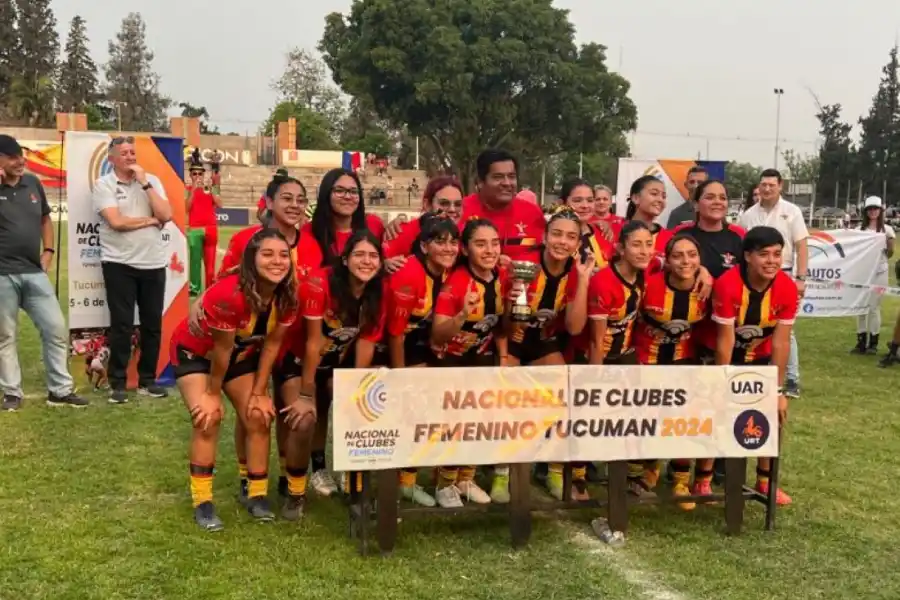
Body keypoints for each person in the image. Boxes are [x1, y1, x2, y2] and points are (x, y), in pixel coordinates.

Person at [172, 228, 298, 530]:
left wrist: (259, 391)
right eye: (267, 254)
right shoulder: (230, 295)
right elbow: (220, 349)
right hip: (197, 354)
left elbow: (271, 345)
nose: (277, 262)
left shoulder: (289, 295)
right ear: (251, 260)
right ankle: (202, 501)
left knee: (258, 415)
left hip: (239, 354)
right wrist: (212, 394)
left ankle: (255, 493)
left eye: (283, 255)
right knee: (208, 417)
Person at [215, 173, 306, 500]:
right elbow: (222, 286)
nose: (294, 206)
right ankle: (246, 476)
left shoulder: (312, 241)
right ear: (268, 202)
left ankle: (286, 473)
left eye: (300, 200)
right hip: (256, 343)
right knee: (252, 408)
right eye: (286, 198)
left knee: (291, 410)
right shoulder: (245, 241)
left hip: (297, 342)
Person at [278, 231, 387, 503]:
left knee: (359, 408)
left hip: (336, 362)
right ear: (345, 259)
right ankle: (297, 491)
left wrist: (355, 390)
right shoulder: (319, 283)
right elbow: (313, 343)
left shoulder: (377, 291)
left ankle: (353, 478)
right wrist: (305, 394)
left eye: (374, 256)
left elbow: (366, 343)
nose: (367, 261)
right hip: (297, 360)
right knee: (305, 419)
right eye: (359, 254)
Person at [506, 207, 594, 501]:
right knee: (507, 400)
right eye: (556, 234)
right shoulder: (524, 265)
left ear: (578, 244)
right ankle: (502, 472)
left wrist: (583, 281)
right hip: (511, 338)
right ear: (544, 236)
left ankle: (554, 469)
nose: (562, 242)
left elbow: (575, 326)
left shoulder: (576, 271)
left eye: (571, 237)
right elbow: (506, 318)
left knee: (563, 398)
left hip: (545, 341)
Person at [0, 134, 87, 410]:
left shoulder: (33, 183)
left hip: (34, 271)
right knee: (5, 336)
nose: (20, 161)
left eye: (20, 156)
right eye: (12, 157)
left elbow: (45, 220)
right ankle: (12, 392)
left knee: (55, 328)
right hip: (2, 274)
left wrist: (48, 251)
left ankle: (59, 390)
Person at [712, 225, 796, 505]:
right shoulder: (727, 283)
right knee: (717, 415)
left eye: (777, 254)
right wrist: (723, 382)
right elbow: (724, 341)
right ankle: (700, 479)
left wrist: (779, 390)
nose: (772, 261)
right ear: (747, 256)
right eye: (764, 255)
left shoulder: (786, 287)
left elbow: (782, 343)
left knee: (771, 414)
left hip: (760, 359)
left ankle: (765, 480)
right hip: (726, 357)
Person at [431, 219, 509, 506]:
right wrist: (461, 315)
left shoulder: (503, 277)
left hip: (483, 358)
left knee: (481, 421)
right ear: (465, 249)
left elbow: (500, 326)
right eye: (480, 244)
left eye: (494, 243)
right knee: (457, 422)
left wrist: (502, 359)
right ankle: (444, 484)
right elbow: (438, 334)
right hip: (451, 361)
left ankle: (466, 478)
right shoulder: (456, 283)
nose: (489, 250)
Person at [386, 213, 460, 506]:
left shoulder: (445, 272)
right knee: (415, 407)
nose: (448, 247)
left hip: (415, 343)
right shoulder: (410, 273)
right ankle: (404, 481)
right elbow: (393, 334)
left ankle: (427, 477)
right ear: (424, 245)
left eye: (453, 242)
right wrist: (401, 377)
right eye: (440, 241)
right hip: (388, 345)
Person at [93, 136, 173, 404]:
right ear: (111, 159)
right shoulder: (104, 184)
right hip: (119, 264)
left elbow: (167, 214)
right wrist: (150, 220)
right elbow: (116, 221)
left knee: (152, 325)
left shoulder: (150, 181)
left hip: (153, 263)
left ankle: (147, 381)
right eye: (124, 153)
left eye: (132, 152)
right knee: (122, 325)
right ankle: (118, 382)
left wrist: (146, 183)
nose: (130, 157)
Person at [631, 234, 709, 506]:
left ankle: (680, 481)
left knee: (683, 420)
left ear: (700, 259)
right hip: (647, 360)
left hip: (684, 362)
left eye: (692, 254)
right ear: (667, 260)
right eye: (678, 255)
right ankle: (648, 469)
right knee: (648, 419)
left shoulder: (706, 290)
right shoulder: (648, 286)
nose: (685, 261)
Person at [738, 169, 808, 398]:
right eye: (763, 185)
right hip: (753, 277)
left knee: (786, 329)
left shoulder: (792, 211)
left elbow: (802, 245)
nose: (767, 189)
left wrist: (801, 278)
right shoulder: (748, 214)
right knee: (756, 325)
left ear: (780, 186)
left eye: (771, 185)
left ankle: (791, 380)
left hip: (784, 274)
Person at [460, 149, 546, 263]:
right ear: (480, 182)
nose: (507, 183)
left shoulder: (532, 212)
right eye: (498, 177)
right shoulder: (461, 210)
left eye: (511, 176)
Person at [382, 176, 464, 265]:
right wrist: (383, 265)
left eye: (458, 204)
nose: (452, 209)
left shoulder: (465, 234)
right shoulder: (400, 232)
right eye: (444, 203)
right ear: (427, 205)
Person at [851, 196, 894, 354]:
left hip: (879, 272)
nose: (873, 212)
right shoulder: (859, 231)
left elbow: (890, 253)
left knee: (874, 308)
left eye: (876, 209)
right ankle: (861, 342)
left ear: (880, 211)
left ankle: (873, 343)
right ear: (865, 211)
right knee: (861, 306)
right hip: (862, 273)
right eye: (870, 209)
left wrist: (886, 248)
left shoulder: (887, 230)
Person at [560, 178, 615, 269]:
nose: (585, 206)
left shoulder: (603, 233)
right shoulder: (554, 235)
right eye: (577, 200)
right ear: (562, 203)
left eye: (590, 200)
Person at [186, 164, 222, 295]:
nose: (197, 176)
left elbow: (219, 204)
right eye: (194, 174)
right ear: (190, 175)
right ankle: (194, 289)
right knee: (194, 262)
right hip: (195, 228)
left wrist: (213, 188)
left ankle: (210, 289)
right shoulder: (187, 188)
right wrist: (193, 190)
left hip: (210, 228)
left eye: (200, 174)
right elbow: (187, 208)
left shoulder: (211, 188)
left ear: (203, 175)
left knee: (211, 264)